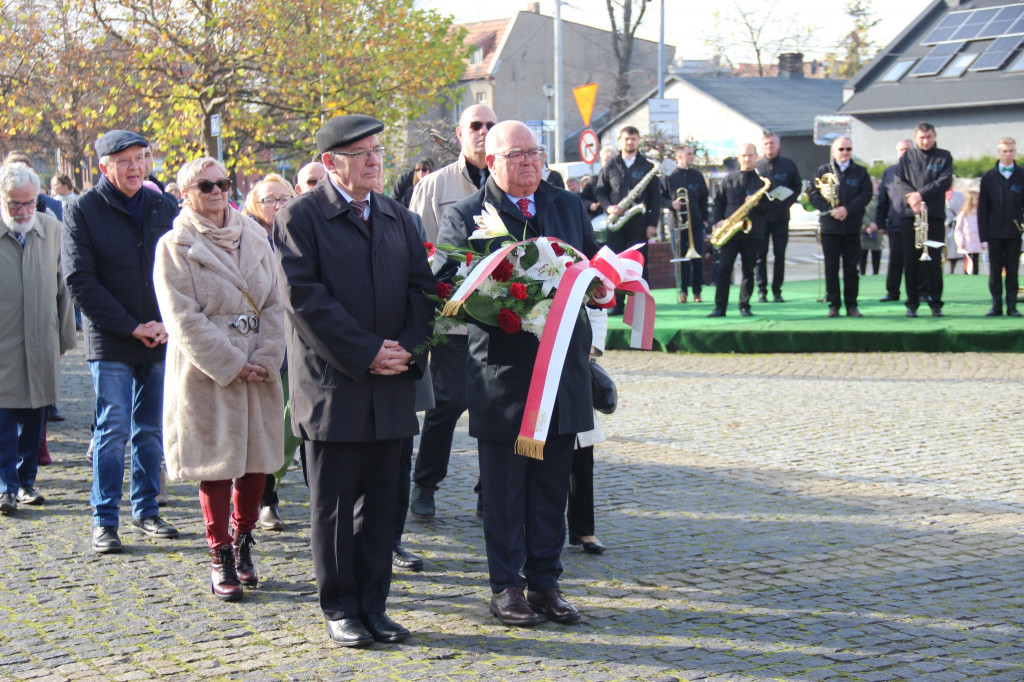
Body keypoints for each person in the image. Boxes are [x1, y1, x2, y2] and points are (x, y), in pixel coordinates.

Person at [274, 114, 434, 646]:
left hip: (391, 385)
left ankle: (375, 606)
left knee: (385, 505)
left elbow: (422, 294)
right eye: (361, 152)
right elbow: (305, 301)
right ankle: (340, 606)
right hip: (334, 387)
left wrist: (406, 351)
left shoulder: (399, 217)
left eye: (377, 150)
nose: (374, 159)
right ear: (330, 163)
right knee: (336, 507)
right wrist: (367, 352)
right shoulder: (300, 217)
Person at [434, 120, 601, 627]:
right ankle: (505, 585)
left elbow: (590, 265)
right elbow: (447, 287)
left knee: (553, 483)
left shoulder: (567, 204)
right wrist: (508, 300)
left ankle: (546, 581)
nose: (529, 162)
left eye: (536, 152)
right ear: (491, 161)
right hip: (504, 374)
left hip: (562, 370)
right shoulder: (465, 215)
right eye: (516, 154)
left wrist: (599, 284)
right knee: (505, 490)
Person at [154, 157, 285, 601]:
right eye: (204, 185)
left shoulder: (255, 235)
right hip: (208, 372)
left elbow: (275, 302)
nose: (215, 191)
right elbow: (182, 318)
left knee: (256, 465)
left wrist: (266, 354)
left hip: (259, 368)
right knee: (215, 466)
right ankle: (219, 552)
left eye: (222, 183)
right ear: (185, 194)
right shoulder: (174, 245)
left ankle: (243, 537)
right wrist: (230, 362)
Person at [62, 130, 180, 554]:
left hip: (161, 335)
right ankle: (104, 518)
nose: (136, 168)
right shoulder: (82, 210)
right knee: (113, 428)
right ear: (104, 166)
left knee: (150, 430)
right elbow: (81, 280)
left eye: (142, 158)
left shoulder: (163, 205)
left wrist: (168, 323)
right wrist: (132, 326)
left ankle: (146, 509)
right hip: (112, 337)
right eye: (125, 160)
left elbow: (181, 270)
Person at [407, 104, 498, 521]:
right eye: (475, 126)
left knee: (497, 403)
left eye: (490, 126)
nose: (483, 132)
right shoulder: (435, 185)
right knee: (449, 401)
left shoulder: (514, 180)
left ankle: (490, 489)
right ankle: (426, 482)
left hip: (504, 315)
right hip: (451, 313)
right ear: (460, 134)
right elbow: (419, 251)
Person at [0, 163, 76, 514]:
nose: (23, 211)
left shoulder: (52, 229)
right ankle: (5, 486)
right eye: (15, 204)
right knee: (2, 417)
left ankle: (26, 481)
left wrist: (63, 338)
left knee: (35, 414)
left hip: (41, 339)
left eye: (29, 203)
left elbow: (63, 289)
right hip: (4, 341)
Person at [241, 174, 301, 531]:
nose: (278, 206)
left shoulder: (302, 232)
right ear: (253, 205)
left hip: (299, 338)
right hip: (260, 341)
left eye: (284, 198)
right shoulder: (246, 238)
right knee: (262, 423)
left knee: (289, 423)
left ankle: (270, 486)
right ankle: (265, 498)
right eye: (269, 200)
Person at [595, 126, 659, 314]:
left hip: (639, 222)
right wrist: (608, 206)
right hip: (616, 222)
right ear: (620, 141)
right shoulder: (611, 165)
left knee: (640, 263)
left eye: (633, 139)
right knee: (616, 263)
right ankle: (618, 304)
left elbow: (655, 197)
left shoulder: (647, 166)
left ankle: (640, 307)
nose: (630, 142)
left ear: (638, 140)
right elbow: (600, 190)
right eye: (626, 139)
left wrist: (653, 223)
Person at [807, 137, 872, 318]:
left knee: (852, 268)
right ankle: (834, 305)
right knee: (831, 267)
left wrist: (847, 209)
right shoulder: (823, 171)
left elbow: (866, 194)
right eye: (841, 149)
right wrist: (831, 210)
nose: (845, 153)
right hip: (830, 227)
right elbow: (813, 194)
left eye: (848, 149)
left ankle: (852, 305)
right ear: (834, 151)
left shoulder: (860, 171)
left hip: (851, 227)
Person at [894, 122, 953, 317]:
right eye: (921, 138)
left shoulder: (944, 156)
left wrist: (920, 194)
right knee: (910, 261)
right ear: (915, 136)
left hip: (933, 215)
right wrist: (912, 198)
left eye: (928, 137)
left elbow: (944, 181)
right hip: (910, 215)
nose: (925, 141)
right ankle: (912, 303)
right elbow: (899, 181)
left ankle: (936, 303)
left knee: (934, 261)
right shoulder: (907, 157)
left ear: (935, 136)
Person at [708, 143, 770, 317]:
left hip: (753, 231)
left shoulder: (762, 182)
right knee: (724, 269)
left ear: (756, 157)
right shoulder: (729, 179)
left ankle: (745, 305)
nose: (747, 159)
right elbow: (718, 202)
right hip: (730, 231)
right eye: (744, 155)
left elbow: (773, 207)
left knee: (748, 271)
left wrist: (758, 204)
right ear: (738, 157)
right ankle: (720, 307)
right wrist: (718, 221)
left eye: (750, 155)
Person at [568, 307, 608, 555]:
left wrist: (591, 347)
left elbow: (595, 306)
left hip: (575, 357)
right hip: (530, 359)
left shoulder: (582, 266)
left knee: (581, 452)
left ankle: (583, 528)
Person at [978, 136, 1024, 317]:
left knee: (1012, 271)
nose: (1008, 154)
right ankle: (996, 305)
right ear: (999, 152)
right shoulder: (989, 177)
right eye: (1004, 151)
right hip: (994, 232)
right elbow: (983, 208)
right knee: (995, 271)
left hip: (1014, 232)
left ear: (1015, 151)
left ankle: (1012, 306)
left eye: (1011, 150)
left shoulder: (1022, 175)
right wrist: (983, 236)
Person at [754, 132, 801, 303]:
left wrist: (783, 204)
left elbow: (797, 188)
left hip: (781, 217)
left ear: (778, 145)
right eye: (766, 144)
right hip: (762, 218)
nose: (769, 147)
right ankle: (761, 290)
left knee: (779, 255)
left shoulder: (789, 165)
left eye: (772, 143)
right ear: (762, 146)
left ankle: (777, 291)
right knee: (760, 256)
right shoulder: (757, 166)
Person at [660, 143, 709, 304]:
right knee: (681, 261)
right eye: (689, 154)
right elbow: (660, 197)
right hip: (677, 225)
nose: (692, 157)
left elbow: (704, 199)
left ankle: (697, 292)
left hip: (695, 224)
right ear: (679, 156)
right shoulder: (669, 176)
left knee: (697, 259)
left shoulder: (697, 175)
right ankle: (683, 292)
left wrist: (706, 220)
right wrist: (670, 204)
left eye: (692, 154)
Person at [876, 139, 914, 302]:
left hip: (915, 222)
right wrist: (880, 221)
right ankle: (893, 291)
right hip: (895, 221)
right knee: (895, 259)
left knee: (917, 260)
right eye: (901, 150)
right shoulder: (889, 172)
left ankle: (921, 291)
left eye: (908, 149)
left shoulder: (919, 170)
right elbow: (882, 199)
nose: (904, 152)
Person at [953, 190, 982, 276]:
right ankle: (967, 274)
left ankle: (975, 274)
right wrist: (960, 242)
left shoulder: (979, 213)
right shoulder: (963, 214)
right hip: (967, 241)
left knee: (976, 259)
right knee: (968, 260)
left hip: (977, 241)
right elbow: (958, 229)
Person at [860, 178, 882, 276]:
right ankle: (862, 273)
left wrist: (877, 224)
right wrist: (868, 224)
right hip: (864, 229)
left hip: (877, 229)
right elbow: (860, 211)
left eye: (874, 183)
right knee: (862, 253)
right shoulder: (863, 197)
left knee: (876, 253)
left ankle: (876, 273)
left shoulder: (881, 197)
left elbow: (883, 210)